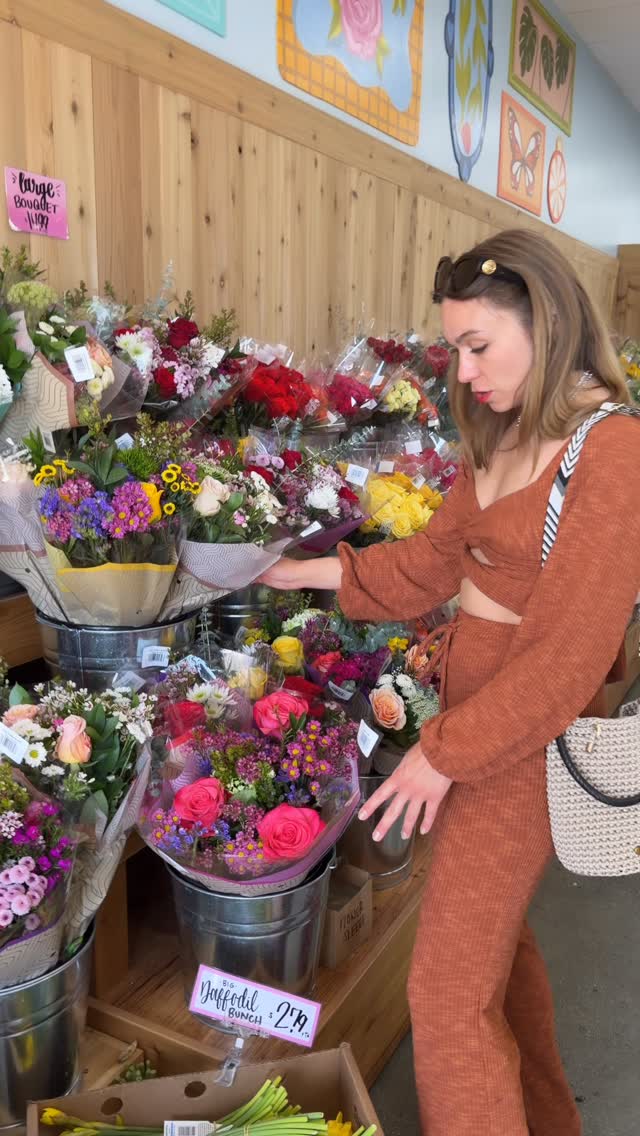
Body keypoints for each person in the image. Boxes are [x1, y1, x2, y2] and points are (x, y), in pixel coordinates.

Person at [259, 228, 640, 1136]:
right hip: (476, 735)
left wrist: (439, 753)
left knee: (443, 994)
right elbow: (434, 562)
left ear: (545, 323)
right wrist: (301, 569)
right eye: (454, 350)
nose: (464, 373)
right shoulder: (507, 435)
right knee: (495, 959)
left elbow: (564, 660)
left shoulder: (614, 455)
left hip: (520, 751)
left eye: (479, 346)